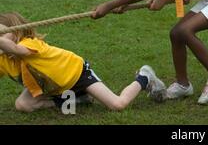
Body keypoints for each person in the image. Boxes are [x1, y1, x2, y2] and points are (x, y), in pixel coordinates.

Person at [0, 12, 167, 112]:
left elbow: (15, 50)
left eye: (2, 34)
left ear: (16, 32)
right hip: (53, 85)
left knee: (118, 105)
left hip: (77, 74)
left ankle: (144, 77)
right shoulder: (2, 58)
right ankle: (78, 99)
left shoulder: (28, 43)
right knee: (22, 105)